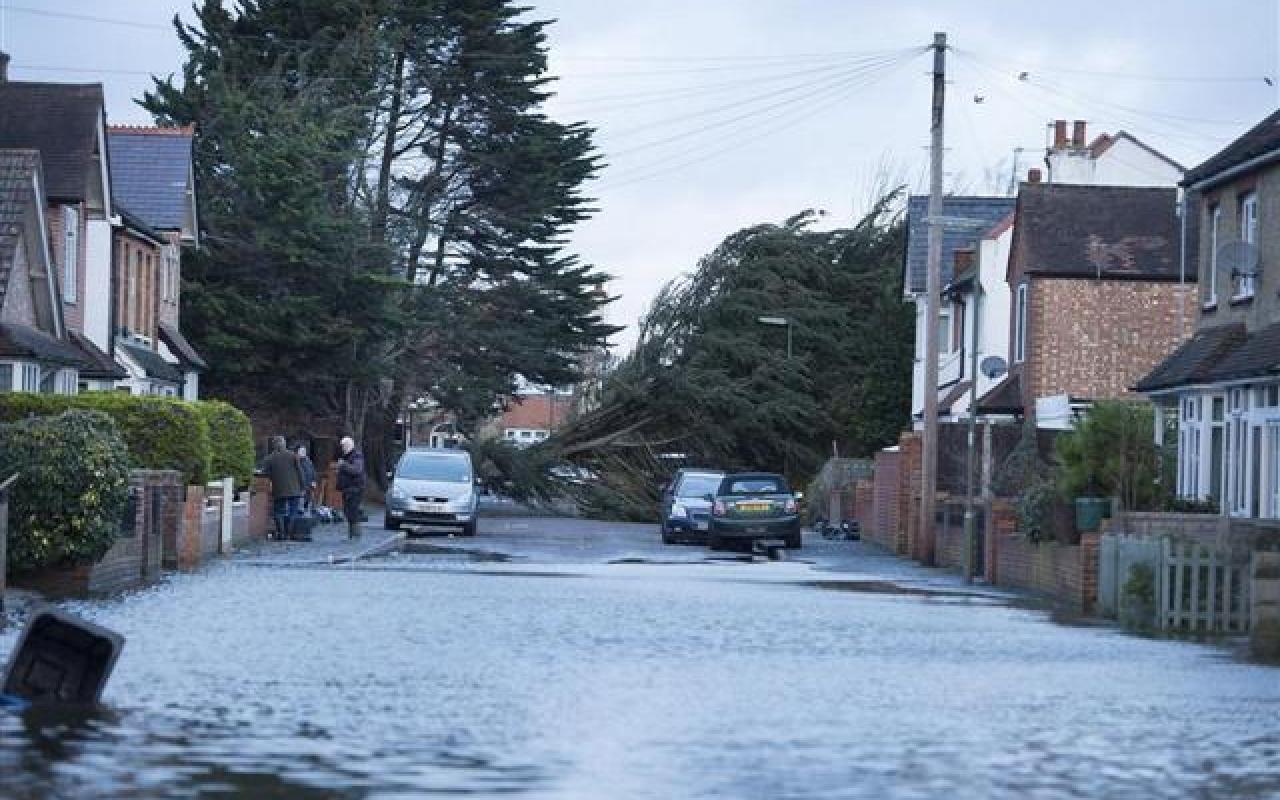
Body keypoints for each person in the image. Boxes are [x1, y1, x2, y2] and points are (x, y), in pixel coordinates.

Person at [263, 435, 306, 539]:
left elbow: (266, 475)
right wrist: (303, 486)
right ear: (284, 444)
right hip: (294, 489)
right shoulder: (293, 456)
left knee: (278, 512)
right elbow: (300, 472)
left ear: (274, 446)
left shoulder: (269, 459)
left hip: (278, 490)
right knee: (293, 511)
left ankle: (281, 533)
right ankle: (288, 533)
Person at [336, 435, 366, 539]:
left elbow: (357, 470)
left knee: (353, 512)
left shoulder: (356, 456)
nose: (342, 448)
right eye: (342, 446)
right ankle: (352, 535)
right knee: (348, 512)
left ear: (349, 445)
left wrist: (343, 465)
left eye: (343, 445)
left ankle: (355, 536)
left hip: (355, 489)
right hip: (348, 489)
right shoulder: (347, 457)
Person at [296, 444, 317, 511]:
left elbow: (313, 472)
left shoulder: (309, 461)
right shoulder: (296, 461)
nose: (303, 452)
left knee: (308, 504)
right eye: (301, 451)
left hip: (309, 486)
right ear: (298, 452)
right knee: (300, 505)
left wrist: (314, 481)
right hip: (300, 487)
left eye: (304, 451)